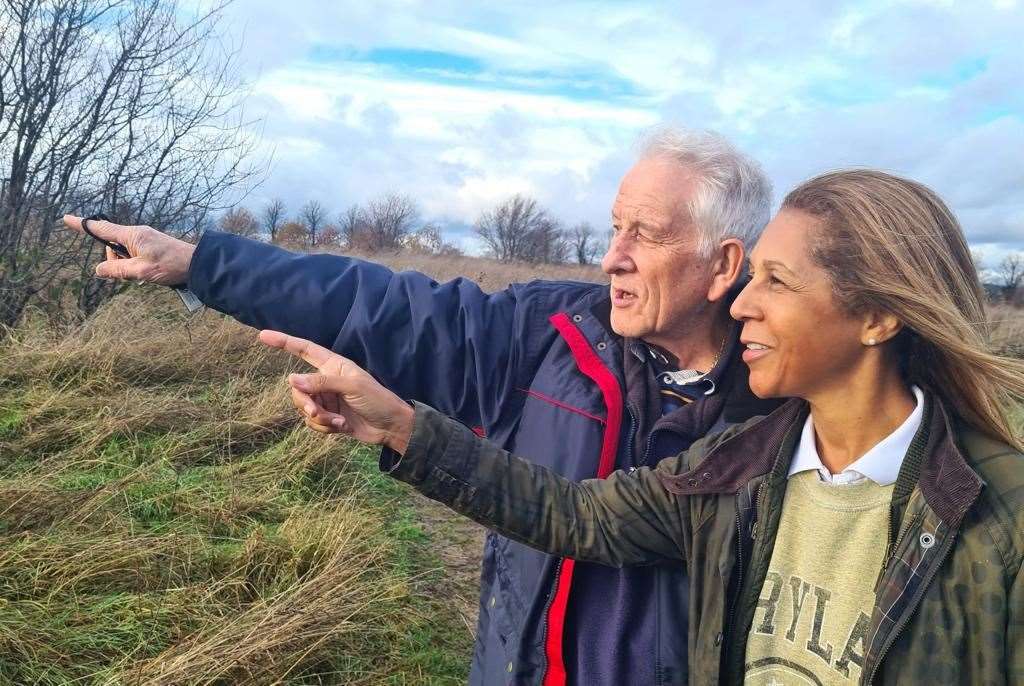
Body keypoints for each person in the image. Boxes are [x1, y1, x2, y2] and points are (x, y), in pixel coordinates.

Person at [64, 128, 780, 685]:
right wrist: (202, 265)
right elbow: (384, 307)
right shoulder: (551, 338)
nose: (610, 257)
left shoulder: (785, 404)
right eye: (614, 227)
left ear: (722, 263)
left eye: (645, 235)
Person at [260, 169, 1024, 685]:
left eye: (777, 282)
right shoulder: (745, 467)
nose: (744, 303)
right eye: (752, 276)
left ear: (879, 315)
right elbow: (572, 513)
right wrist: (398, 426)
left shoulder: (999, 523)